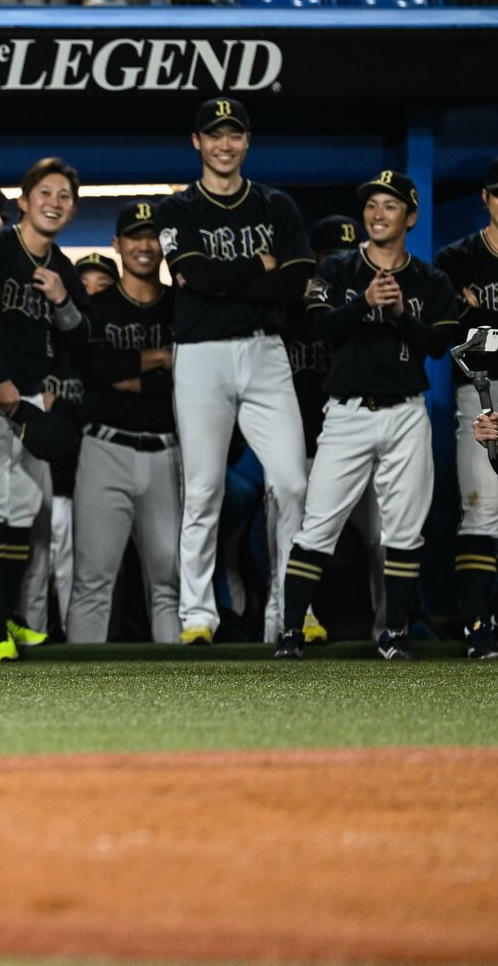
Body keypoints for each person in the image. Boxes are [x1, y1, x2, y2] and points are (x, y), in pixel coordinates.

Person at [272, 172, 459, 661]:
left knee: (402, 530)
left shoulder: (430, 279)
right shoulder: (337, 271)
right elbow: (320, 327)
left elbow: (440, 344)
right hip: (348, 412)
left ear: (410, 217)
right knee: (317, 526)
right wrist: (364, 304)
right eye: (372, 204)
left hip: (405, 413)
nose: (377, 213)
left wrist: (399, 316)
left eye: (389, 206)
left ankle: (393, 633)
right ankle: (291, 633)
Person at [156, 97, 314, 645]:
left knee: (293, 483)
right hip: (200, 353)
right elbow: (192, 274)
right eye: (214, 134)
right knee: (203, 487)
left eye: (235, 134)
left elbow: (295, 281)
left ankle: (290, 610)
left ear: (247, 142)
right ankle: (197, 614)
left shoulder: (277, 205)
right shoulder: (178, 209)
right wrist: (257, 268)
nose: (225, 144)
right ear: (196, 142)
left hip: (266, 351)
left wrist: (222, 282)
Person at [0, 156, 89, 662]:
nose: (55, 203)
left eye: (64, 196)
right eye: (46, 193)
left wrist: (61, 301)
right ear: (23, 199)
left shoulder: (62, 266)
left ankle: (6, 614)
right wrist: (0, 381)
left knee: (24, 507)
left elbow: (82, 338)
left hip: (29, 398)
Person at [68, 201, 179, 643]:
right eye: (135, 237)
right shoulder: (97, 307)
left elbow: (186, 381)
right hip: (104, 448)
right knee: (92, 579)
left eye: (152, 237)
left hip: (168, 449)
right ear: (118, 245)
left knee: (170, 581)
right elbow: (93, 370)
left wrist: (128, 374)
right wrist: (158, 360)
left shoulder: (181, 305)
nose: (145, 246)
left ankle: (185, 696)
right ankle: (77, 695)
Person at [280, 214, 383, 643]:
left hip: (355, 445)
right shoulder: (288, 313)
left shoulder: (368, 312)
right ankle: (292, 624)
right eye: (328, 257)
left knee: (385, 534)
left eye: (345, 254)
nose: (337, 263)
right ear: (314, 260)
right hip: (301, 447)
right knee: (295, 538)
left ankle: (392, 624)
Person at [438, 159, 498, 655]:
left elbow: (480, 332)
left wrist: (483, 315)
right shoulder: (456, 258)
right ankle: (478, 626)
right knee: (480, 510)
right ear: (485, 197)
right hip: (482, 393)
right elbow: (461, 343)